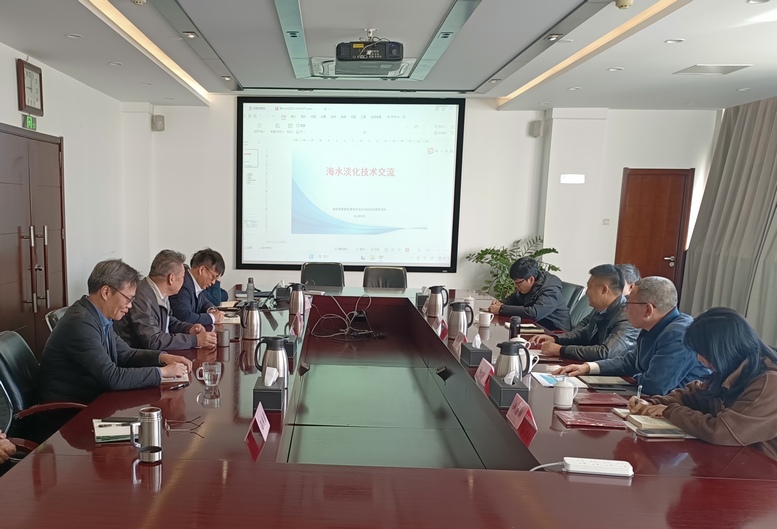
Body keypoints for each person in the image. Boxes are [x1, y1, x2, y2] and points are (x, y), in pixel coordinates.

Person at [629, 307, 777, 459]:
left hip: (762, 467)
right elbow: (693, 395)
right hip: (731, 459)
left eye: (703, 352)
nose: (699, 359)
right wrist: (654, 404)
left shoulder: (768, 383)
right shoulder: (729, 369)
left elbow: (723, 432)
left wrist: (669, 411)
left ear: (723, 348)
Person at [38, 259, 192, 404]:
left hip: (94, 400)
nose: (130, 305)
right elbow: (112, 378)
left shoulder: (98, 316)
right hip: (70, 411)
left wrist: (163, 357)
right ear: (106, 292)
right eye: (128, 299)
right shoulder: (80, 323)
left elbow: (125, 354)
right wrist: (163, 372)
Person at [553, 276, 708, 396]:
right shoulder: (652, 325)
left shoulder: (679, 334)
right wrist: (588, 367)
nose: (625, 309)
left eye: (628, 304)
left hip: (679, 411)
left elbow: (655, 385)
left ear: (648, 310)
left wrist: (633, 376)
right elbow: (630, 361)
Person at [530, 264, 638, 361]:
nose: (586, 293)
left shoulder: (627, 317)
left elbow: (605, 352)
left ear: (604, 290)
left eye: (589, 287)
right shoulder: (600, 309)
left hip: (615, 374)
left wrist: (561, 350)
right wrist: (556, 338)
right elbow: (584, 334)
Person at [115, 250, 217, 350]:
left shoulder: (160, 292)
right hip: (139, 356)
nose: (184, 281)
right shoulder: (142, 296)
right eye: (182, 277)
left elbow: (168, 321)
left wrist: (188, 328)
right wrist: (194, 340)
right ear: (171, 278)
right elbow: (153, 340)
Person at [487, 257, 570, 331]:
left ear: (531, 279)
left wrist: (501, 309)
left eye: (518, 283)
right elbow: (515, 297)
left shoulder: (550, 291)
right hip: (535, 326)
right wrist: (501, 303)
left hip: (554, 332)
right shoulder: (530, 285)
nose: (516, 286)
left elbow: (534, 313)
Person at [170, 248, 226, 326]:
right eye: (213, 277)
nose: (213, 282)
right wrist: (212, 317)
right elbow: (185, 317)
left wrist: (211, 309)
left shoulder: (195, 283)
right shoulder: (182, 285)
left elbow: (204, 302)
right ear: (202, 270)